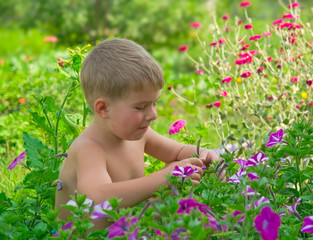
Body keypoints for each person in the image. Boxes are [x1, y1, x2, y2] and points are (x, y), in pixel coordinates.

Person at [55, 38, 221, 230]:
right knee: (171, 192)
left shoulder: (140, 135)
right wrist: (165, 177)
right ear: (103, 108)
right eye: (140, 107)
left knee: (184, 202)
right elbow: (98, 199)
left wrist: (205, 155)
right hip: (82, 235)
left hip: (125, 228)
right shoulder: (90, 148)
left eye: (154, 103)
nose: (153, 114)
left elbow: (179, 152)